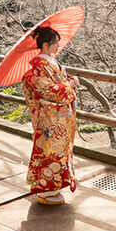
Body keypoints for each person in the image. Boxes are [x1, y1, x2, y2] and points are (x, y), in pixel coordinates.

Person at [23, 25, 79, 205]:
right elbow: (49, 91)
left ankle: (53, 187)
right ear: (45, 45)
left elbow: (60, 83)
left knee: (59, 151)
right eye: (55, 43)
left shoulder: (50, 62)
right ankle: (45, 190)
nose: (57, 46)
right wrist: (70, 85)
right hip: (50, 118)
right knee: (49, 152)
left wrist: (69, 81)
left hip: (58, 117)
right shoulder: (40, 66)